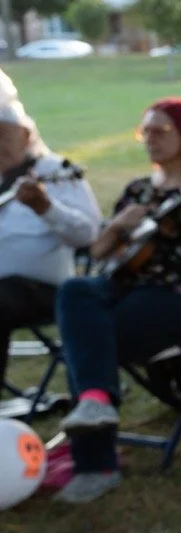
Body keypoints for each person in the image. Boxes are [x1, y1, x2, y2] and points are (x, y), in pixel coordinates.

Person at [54, 97, 181, 504]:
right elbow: (98, 252)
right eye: (146, 131)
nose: (150, 138)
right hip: (123, 288)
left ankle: (96, 464)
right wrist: (118, 225)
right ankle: (96, 404)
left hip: (180, 299)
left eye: (161, 130)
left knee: (86, 340)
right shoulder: (137, 190)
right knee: (74, 291)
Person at [0, 89, 101, 395]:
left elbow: (88, 234)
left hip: (43, 290)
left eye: (3, 134)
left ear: (26, 134)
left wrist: (46, 207)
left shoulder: (57, 171)